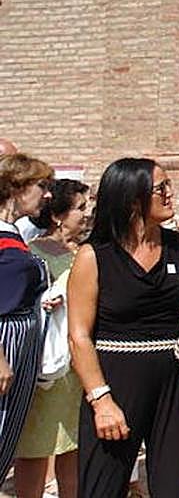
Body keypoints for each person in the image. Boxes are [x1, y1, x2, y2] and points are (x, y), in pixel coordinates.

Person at [68, 158, 179, 498]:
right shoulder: (92, 256)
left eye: (169, 185)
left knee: (171, 487)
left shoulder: (176, 244)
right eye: (161, 188)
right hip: (115, 380)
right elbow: (78, 336)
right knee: (103, 486)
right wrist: (101, 401)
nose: (170, 194)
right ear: (131, 198)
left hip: (176, 376)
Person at [13, 179, 90, 498]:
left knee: (74, 447)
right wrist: (45, 303)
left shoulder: (89, 251)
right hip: (50, 364)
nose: (88, 214)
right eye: (81, 207)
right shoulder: (35, 253)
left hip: (82, 363)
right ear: (58, 215)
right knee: (37, 444)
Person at [0, 153, 53, 483]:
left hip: (22, 344)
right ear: (16, 188)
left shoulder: (15, 233)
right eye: (42, 185)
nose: (48, 194)